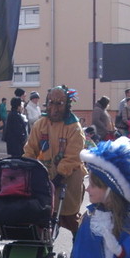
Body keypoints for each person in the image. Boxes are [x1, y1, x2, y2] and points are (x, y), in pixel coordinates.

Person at [23, 86, 86, 239]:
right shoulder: (41, 124)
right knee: (44, 217)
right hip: (45, 178)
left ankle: (78, 242)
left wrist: (59, 176)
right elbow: (30, 149)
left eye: (60, 104)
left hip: (68, 180)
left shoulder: (74, 127)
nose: (55, 109)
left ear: (67, 105)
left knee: (69, 217)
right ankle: (44, 248)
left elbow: (73, 156)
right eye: (51, 103)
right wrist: (26, 168)